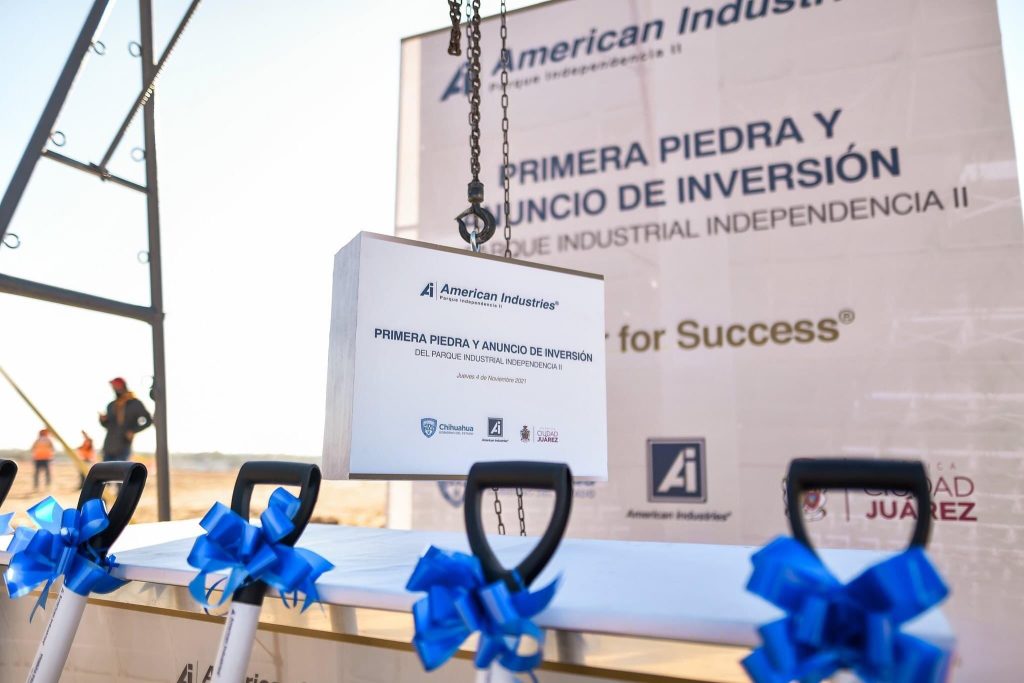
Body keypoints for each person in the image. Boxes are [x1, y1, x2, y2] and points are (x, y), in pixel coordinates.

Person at [99, 377, 153, 462]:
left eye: (116, 385)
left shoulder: (135, 404)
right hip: (109, 447)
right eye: (113, 386)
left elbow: (148, 420)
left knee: (120, 470)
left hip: (123, 446)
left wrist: (133, 430)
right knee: (106, 470)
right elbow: (108, 426)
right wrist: (103, 421)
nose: (114, 388)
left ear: (123, 386)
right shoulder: (111, 405)